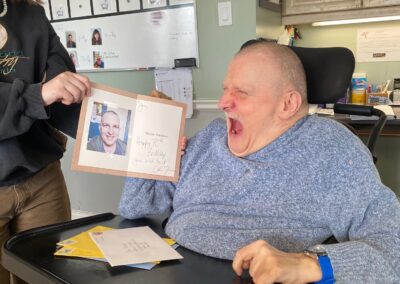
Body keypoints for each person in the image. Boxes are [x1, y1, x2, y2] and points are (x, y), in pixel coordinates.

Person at [119, 42, 400, 283]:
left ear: (287, 104)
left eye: (241, 93)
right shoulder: (211, 137)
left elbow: (393, 249)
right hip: (167, 267)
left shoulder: (333, 152)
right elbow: (135, 207)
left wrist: (309, 264)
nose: (222, 103)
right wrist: (152, 137)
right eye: (225, 89)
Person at [0, 1, 91, 283]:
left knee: (49, 275)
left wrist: (142, 133)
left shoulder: (32, 13)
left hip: (42, 180)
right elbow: (45, 94)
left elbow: (64, 92)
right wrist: (37, 95)